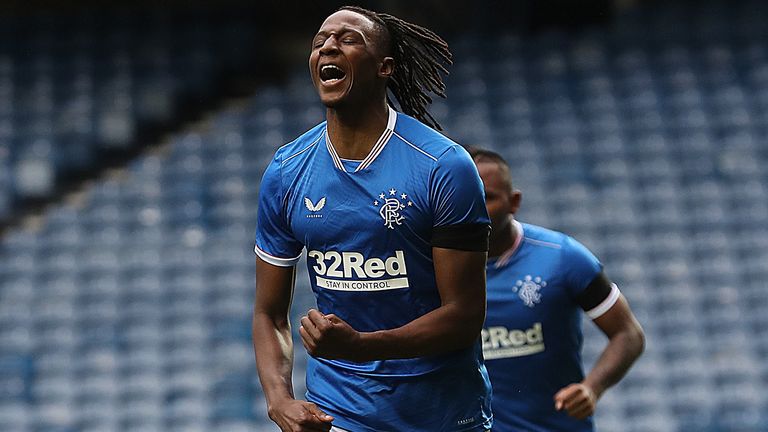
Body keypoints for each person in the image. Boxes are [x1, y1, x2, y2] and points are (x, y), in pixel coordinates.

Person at [252, 6, 493, 432]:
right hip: (340, 413)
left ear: (385, 68)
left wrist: (362, 346)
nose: (328, 45)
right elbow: (269, 314)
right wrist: (279, 401)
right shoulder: (287, 171)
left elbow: (464, 315)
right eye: (320, 40)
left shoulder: (443, 167)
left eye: (348, 39)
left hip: (441, 415)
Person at [469, 147, 645, 432]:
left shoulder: (563, 258)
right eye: (464, 198)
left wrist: (592, 388)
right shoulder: (426, 265)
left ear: (514, 202)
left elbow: (628, 333)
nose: (474, 208)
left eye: (487, 198)